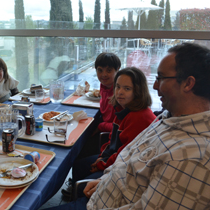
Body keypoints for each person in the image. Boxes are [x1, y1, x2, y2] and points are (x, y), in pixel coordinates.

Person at [48, 43, 210, 209]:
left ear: (188, 83)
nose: (154, 86)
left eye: (160, 78)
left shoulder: (191, 157)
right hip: (102, 190)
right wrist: (104, 180)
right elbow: (128, 155)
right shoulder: (169, 117)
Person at [63, 67, 156, 199]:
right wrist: (102, 157)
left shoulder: (139, 117)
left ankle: (83, 201)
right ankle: (75, 196)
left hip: (125, 169)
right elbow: (112, 139)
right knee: (78, 165)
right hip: (114, 158)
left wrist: (102, 164)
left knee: (84, 185)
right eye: (117, 87)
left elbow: (125, 154)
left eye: (127, 88)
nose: (120, 92)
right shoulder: (123, 109)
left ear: (138, 91)